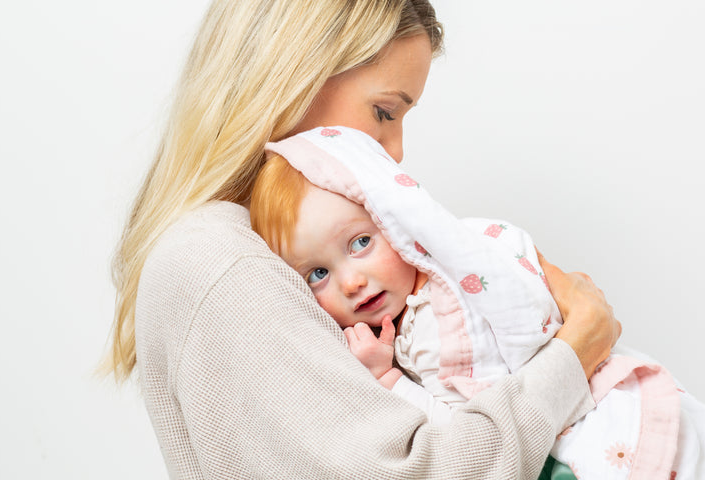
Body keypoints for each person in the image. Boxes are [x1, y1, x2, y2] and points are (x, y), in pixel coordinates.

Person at [102, 1, 622, 478]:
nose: (393, 150)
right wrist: (572, 356)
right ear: (292, 78)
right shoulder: (222, 262)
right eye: (384, 112)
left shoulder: (247, 254)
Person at [251, 127, 705, 479]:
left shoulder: (442, 311)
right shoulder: (416, 314)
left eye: (361, 242)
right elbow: (476, 440)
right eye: (317, 274)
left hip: (613, 430)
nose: (350, 282)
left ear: (398, 221)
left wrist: (388, 378)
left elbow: (469, 434)